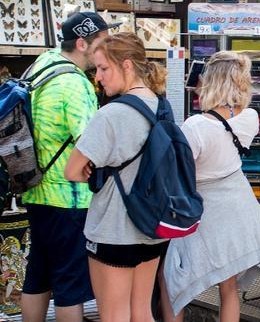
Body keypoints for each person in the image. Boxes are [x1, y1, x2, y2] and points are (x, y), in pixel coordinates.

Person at [65, 32, 171, 322]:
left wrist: (93, 168)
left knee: (114, 316)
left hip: (113, 229)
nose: (98, 77)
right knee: (142, 313)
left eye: (103, 68)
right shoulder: (161, 105)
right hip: (151, 228)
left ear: (126, 65)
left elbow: (72, 170)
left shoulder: (110, 114)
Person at [159, 51, 260, 322]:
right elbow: (227, 120)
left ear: (209, 82)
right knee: (228, 286)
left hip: (204, 210)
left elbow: (182, 170)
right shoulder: (249, 118)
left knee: (175, 281)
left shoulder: (194, 126)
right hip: (238, 207)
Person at [19, 11, 111, 322]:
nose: (106, 50)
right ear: (83, 43)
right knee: (70, 283)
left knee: (38, 275)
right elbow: (90, 140)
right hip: (69, 196)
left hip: (35, 189)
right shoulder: (74, 82)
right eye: (102, 43)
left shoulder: (42, 65)